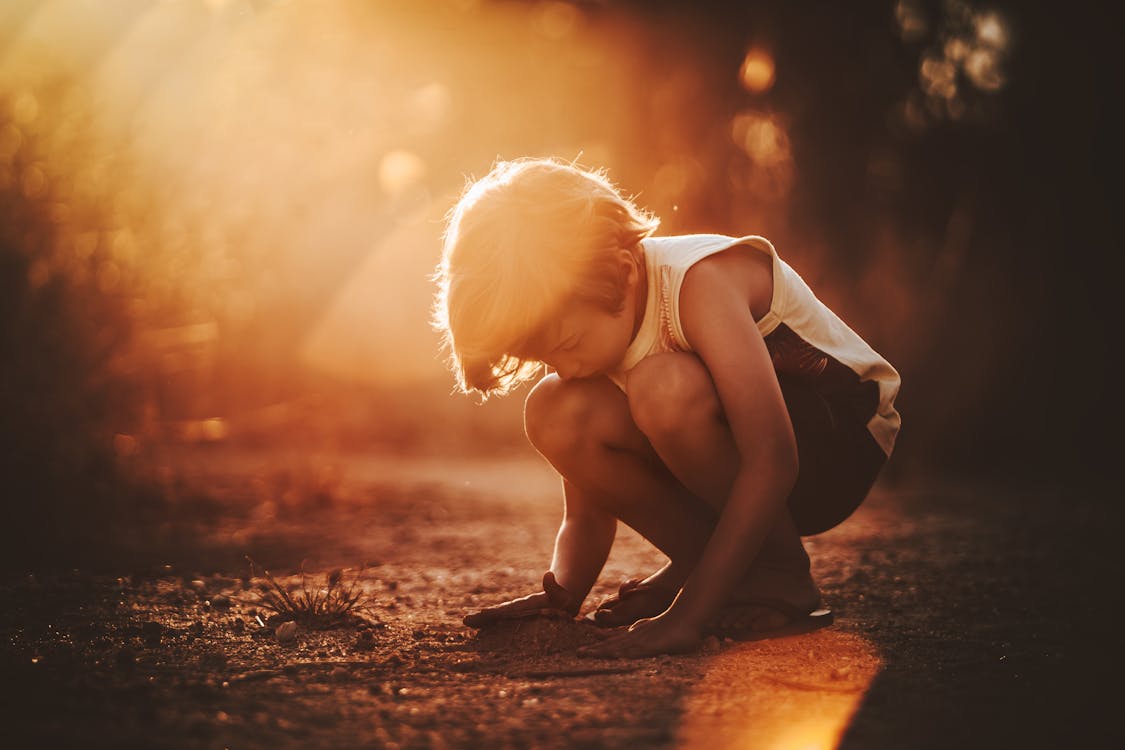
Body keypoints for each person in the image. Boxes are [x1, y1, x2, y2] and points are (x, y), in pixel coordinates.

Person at [431, 157, 900, 658]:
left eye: (566, 343)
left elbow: (773, 459)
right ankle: (720, 569)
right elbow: (588, 513)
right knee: (554, 408)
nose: (563, 367)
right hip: (750, 470)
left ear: (625, 272)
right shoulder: (599, 332)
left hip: (836, 444)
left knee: (662, 386)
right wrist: (561, 594)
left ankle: (781, 577)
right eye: (543, 356)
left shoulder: (699, 284)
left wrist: (687, 614)